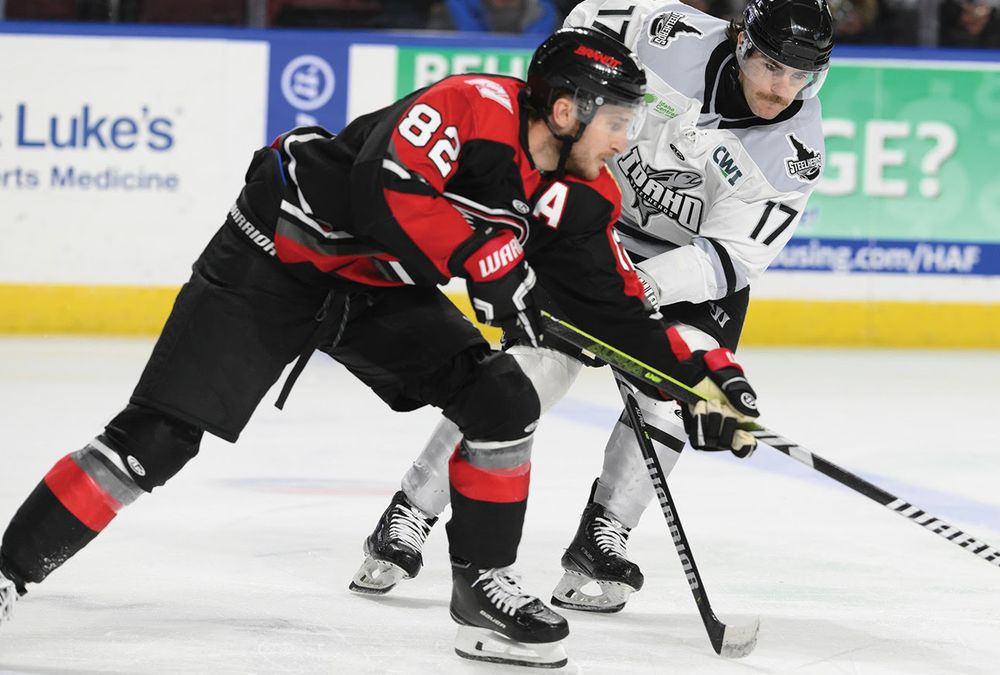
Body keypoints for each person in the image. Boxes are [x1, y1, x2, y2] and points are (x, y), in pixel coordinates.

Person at [0, 27, 761, 668]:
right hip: (273, 258)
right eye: (618, 121)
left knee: (501, 397)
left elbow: (618, 311)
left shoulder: (584, 196)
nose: (626, 140)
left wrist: (704, 379)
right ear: (566, 110)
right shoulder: (471, 107)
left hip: (376, 290)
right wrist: (483, 255)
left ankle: (483, 590)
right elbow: (383, 188)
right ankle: (7, 571)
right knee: (155, 441)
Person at [347, 0, 829, 617]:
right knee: (530, 374)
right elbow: (577, 34)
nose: (780, 89)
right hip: (585, 221)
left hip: (686, 267)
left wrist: (637, 288)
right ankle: (411, 509)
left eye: (801, 77)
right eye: (769, 66)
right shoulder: (664, 31)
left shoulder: (794, 150)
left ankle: (601, 541)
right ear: (740, 42)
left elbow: (729, 259)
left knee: (674, 395)